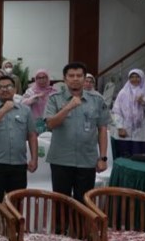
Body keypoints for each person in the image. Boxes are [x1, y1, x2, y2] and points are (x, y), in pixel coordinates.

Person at [44, 62, 111, 201]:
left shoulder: (97, 100)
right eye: (71, 75)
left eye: (79, 75)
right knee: (61, 203)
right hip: (61, 160)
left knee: (84, 203)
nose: (75, 78)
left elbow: (102, 129)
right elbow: (50, 124)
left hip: (87, 160)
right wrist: (68, 107)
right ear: (65, 78)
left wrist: (103, 158)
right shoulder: (54, 99)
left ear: (84, 78)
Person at [0, 76, 38, 202]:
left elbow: (32, 135)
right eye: (0, 87)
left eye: (8, 86)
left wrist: (34, 159)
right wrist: (4, 110)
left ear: (15, 89)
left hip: (19, 164)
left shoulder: (25, 110)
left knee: (16, 203)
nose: (4, 89)